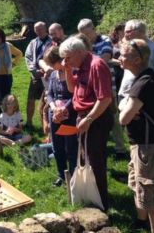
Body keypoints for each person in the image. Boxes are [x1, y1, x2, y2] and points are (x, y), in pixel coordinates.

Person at [119, 39, 154, 233]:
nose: (119, 58)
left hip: (148, 150)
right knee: (140, 188)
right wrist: (127, 106)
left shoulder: (143, 84)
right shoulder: (149, 78)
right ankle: (142, 222)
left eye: (123, 55)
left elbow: (123, 119)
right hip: (146, 146)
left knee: (151, 198)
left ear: (137, 59)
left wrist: (125, 106)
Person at [60, 36, 114, 211]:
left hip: (96, 119)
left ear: (79, 52)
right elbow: (71, 88)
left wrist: (89, 119)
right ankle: (90, 196)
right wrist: (67, 70)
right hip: (83, 117)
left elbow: (105, 98)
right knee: (85, 157)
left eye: (68, 57)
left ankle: (102, 204)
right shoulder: (79, 65)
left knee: (95, 159)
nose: (65, 61)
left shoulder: (96, 65)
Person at [78, 18, 126, 155]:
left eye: (87, 34)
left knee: (113, 116)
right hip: (88, 87)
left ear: (93, 29)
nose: (86, 37)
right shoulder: (81, 43)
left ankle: (120, 148)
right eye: (83, 35)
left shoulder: (104, 40)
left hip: (106, 85)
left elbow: (103, 59)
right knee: (94, 117)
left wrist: (88, 54)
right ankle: (99, 146)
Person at [44, 46, 78, 187]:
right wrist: (53, 108)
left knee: (71, 146)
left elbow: (75, 94)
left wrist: (64, 108)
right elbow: (50, 94)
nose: (51, 67)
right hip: (55, 114)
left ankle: (73, 175)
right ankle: (61, 174)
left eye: (53, 63)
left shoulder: (72, 73)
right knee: (57, 146)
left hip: (69, 115)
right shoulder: (53, 75)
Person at [119, 19, 154, 101]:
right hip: (125, 94)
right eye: (125, 32)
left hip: (142, 96)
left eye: (128, 32)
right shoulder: (129, 47)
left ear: (140, 32)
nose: (125, 35)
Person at [25, 21, 53, 126]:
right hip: (36, 74)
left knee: (47, 99)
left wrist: (47, 70)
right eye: (37, 30)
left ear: (45, 29)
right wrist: (33, 70)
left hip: (48, 75)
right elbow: (28, 57)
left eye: (41, 29)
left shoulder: (52, 41)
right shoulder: (33, 42)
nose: (39, 31)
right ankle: (29, 122)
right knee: (30, 98)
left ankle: (46, 123)